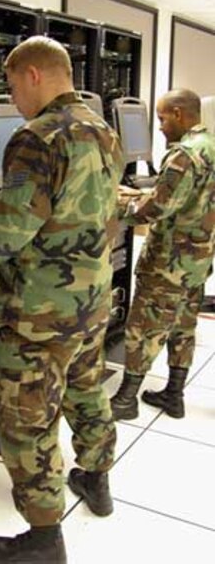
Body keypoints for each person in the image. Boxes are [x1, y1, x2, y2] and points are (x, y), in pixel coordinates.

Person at [0, 36, 124, 563]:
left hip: (40, 316)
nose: (11, 95)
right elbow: (105, 216)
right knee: (87, 392)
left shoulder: (36, 137)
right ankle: (96, 480)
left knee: (27, 421)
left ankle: (44, 539)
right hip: (90, 301)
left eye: (12, 83)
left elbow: (4, 236)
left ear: (35, 75)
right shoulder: (102, 129)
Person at [111, 88, 215, 422]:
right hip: (197, 259)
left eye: (162, 117)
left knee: (143, 327)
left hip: (168, 262)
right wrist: (143, 193)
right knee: (183, 326)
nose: (159, 126)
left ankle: (126, 399)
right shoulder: (210, 146)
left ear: (180, 114)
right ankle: (174, 395)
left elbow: (154, 210)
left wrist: (119, 204)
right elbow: (189, 198)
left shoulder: (184, 154)